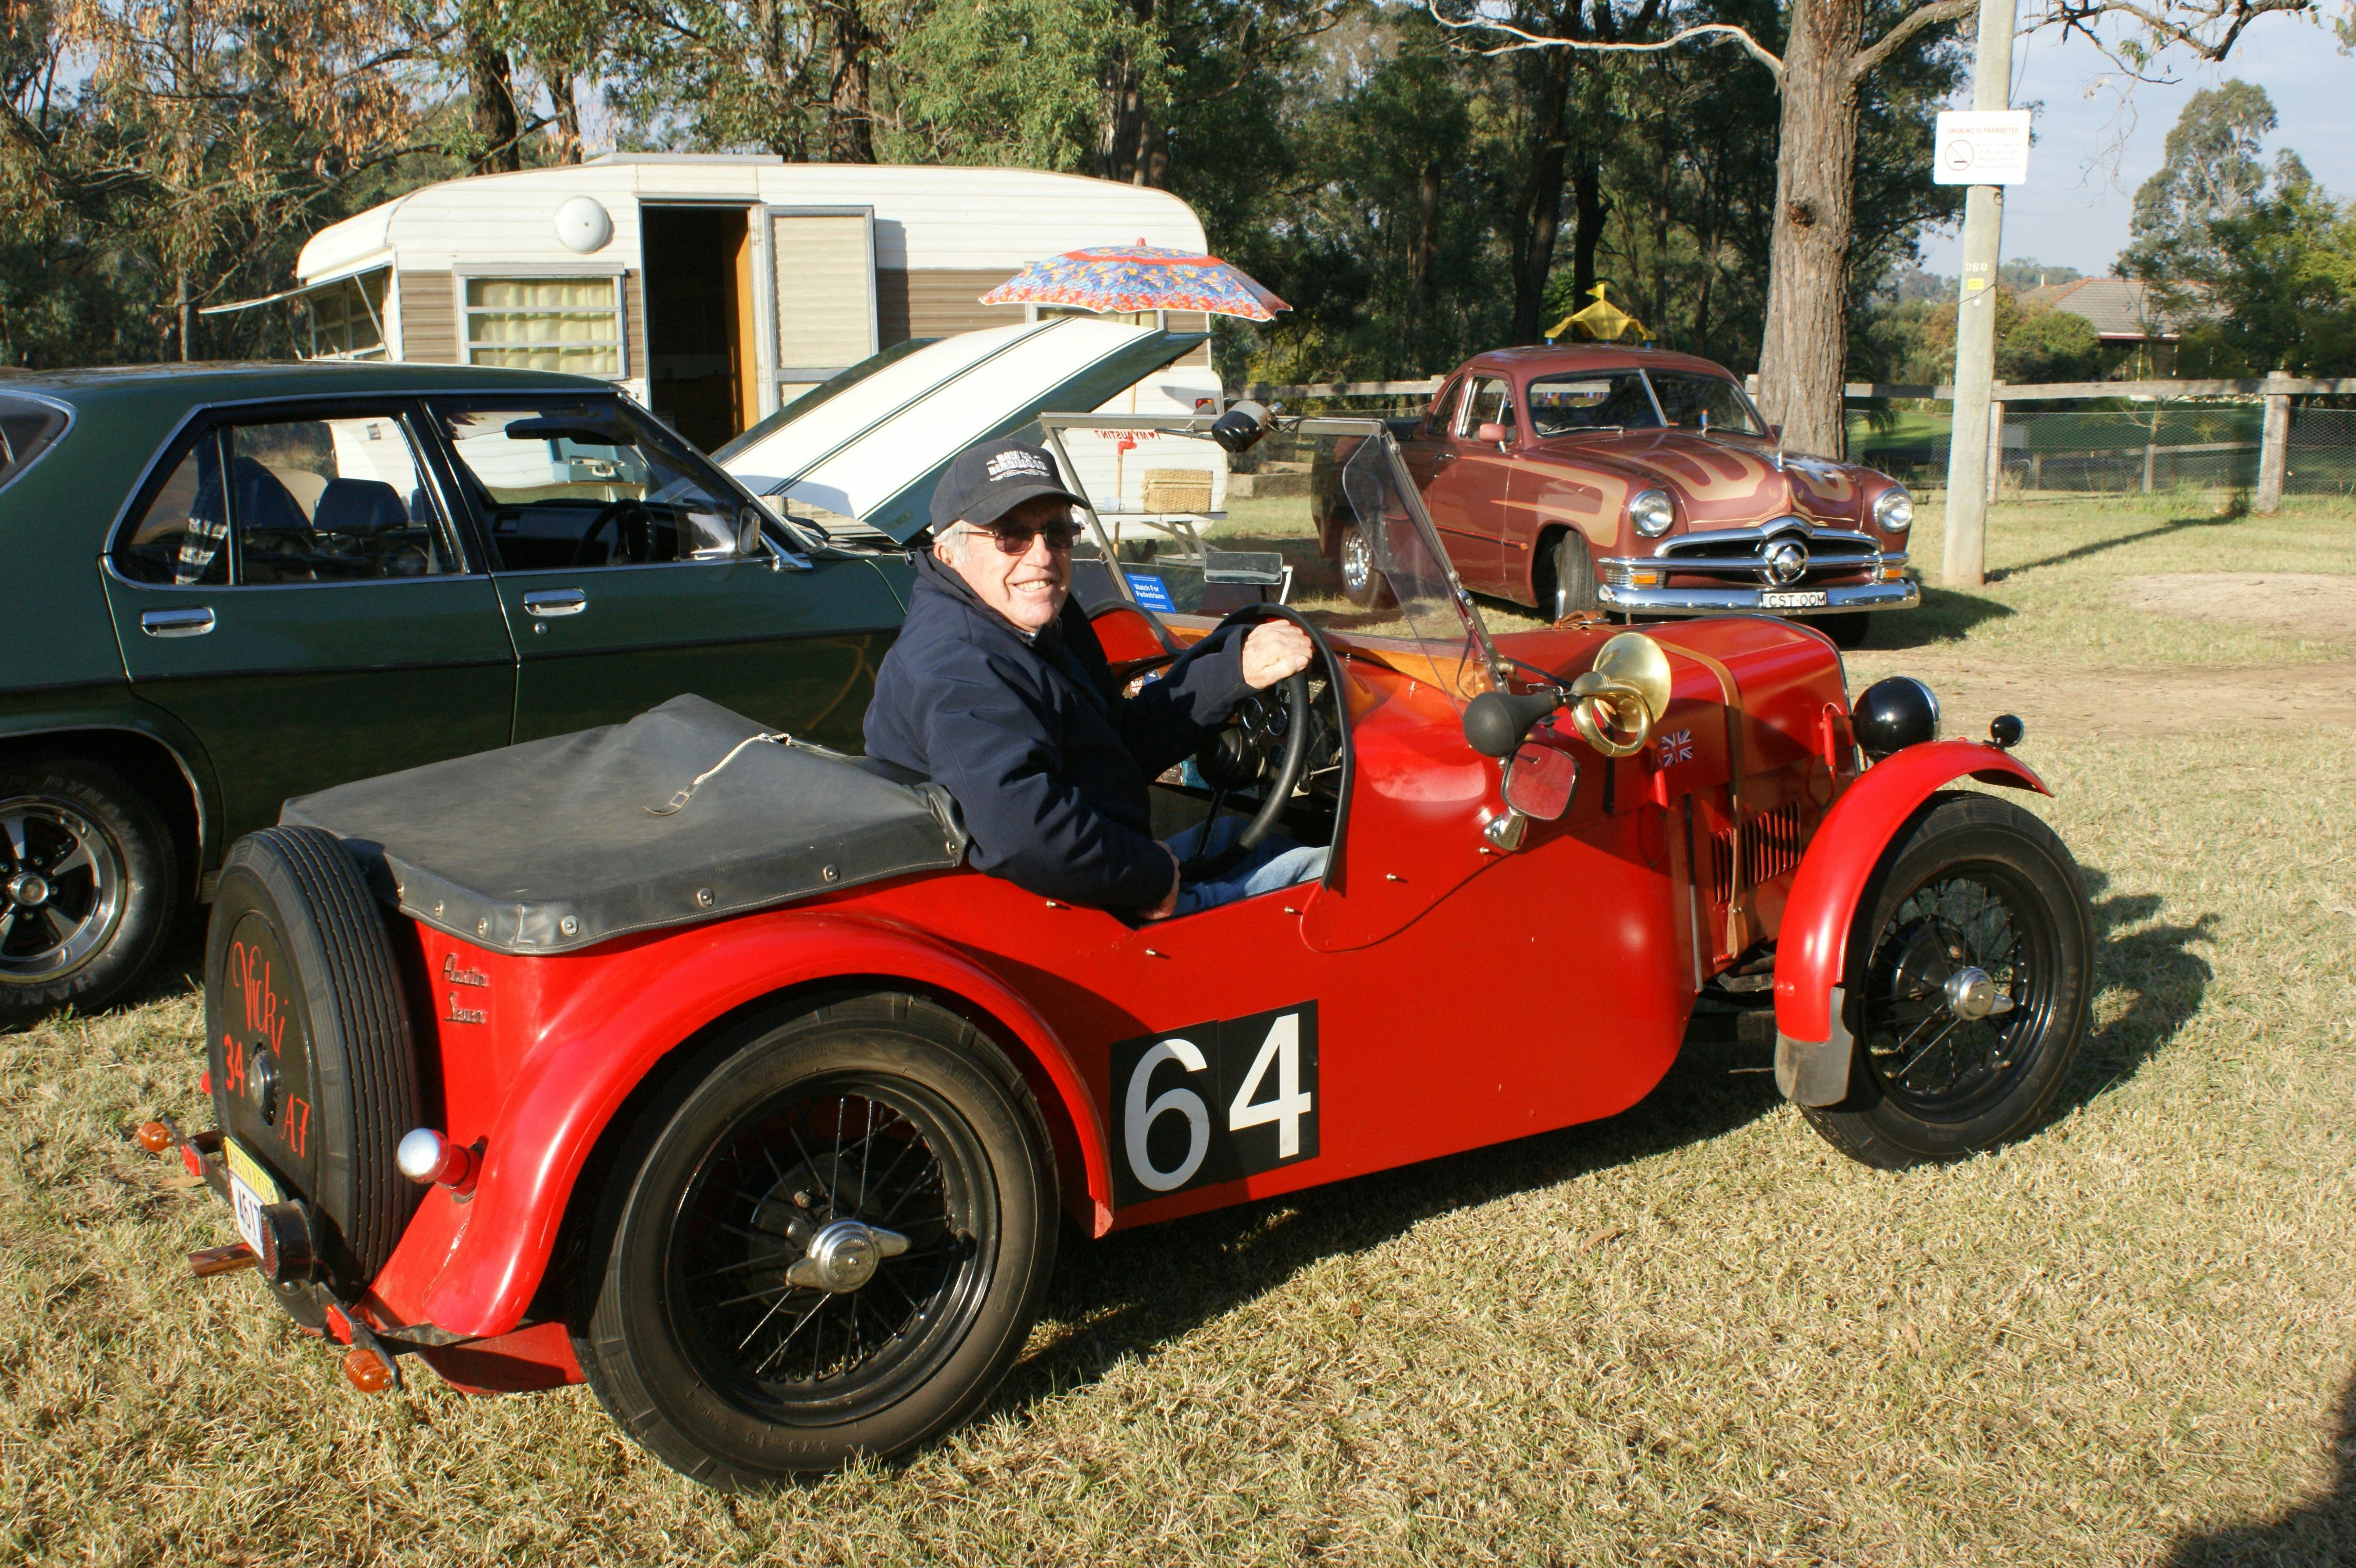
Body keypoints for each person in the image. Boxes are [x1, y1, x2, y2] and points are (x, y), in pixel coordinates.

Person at [864, 438, 1324, 920]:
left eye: (1057, 533)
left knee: (1238, 837)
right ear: (949, 553)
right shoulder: (959, 662)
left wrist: (1234, 671)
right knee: (1325, 872)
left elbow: (1114, 742)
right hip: (1055, 913)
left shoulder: (1030, 621)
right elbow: (1024, 829)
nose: (1041, 555)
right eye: (1011, 536)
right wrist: (1151, 877)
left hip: (1077, 880)